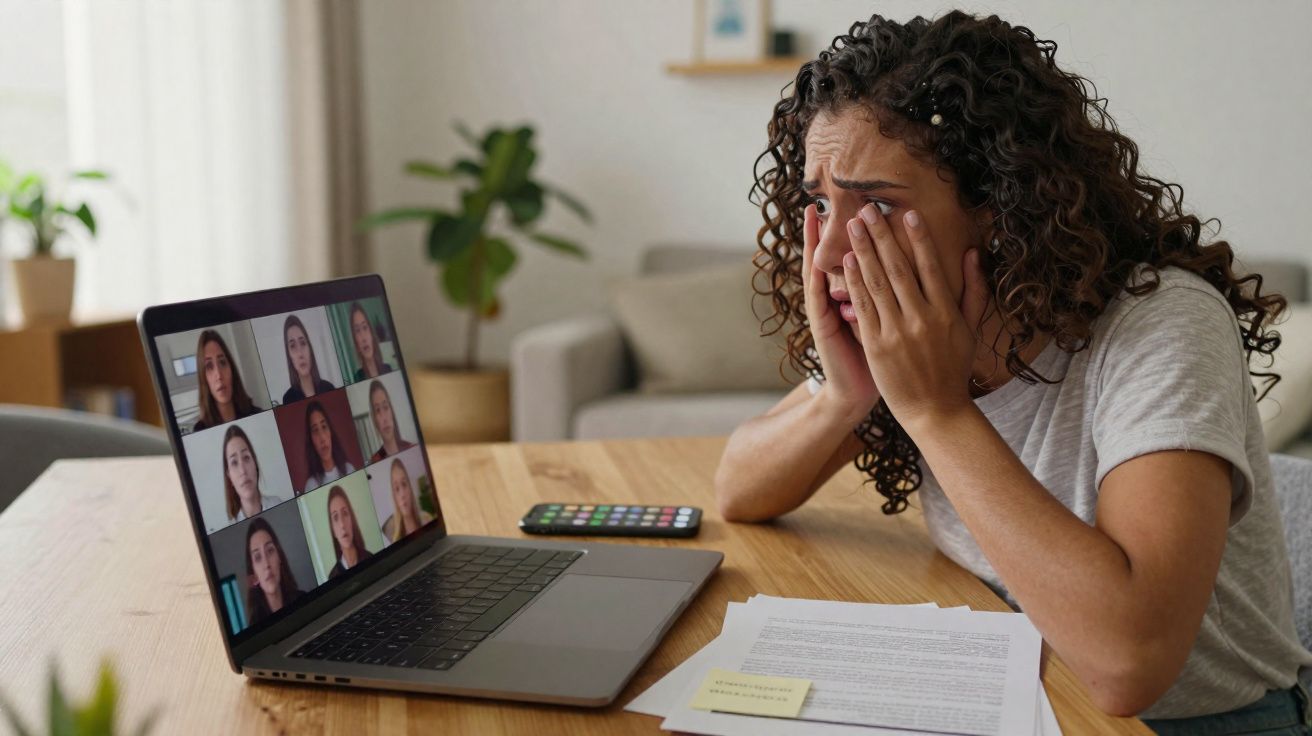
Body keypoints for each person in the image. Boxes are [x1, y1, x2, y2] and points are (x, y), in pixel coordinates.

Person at [716, 11, 1312, 732]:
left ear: (997, 204)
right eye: (819, 203)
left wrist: (937, 412)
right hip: (1021, 695)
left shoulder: (1161, 324)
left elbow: (1132, 666)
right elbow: (738, 490)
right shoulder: (910, 327)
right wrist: (847, 395)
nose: (830, 250)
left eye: (875, 203)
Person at [193, 329, 262, 432]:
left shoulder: (257, 415)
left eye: (222, 362)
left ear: (231, 369)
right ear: (203, 378)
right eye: (209, 366)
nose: (219, 375)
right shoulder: (199, 431)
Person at [244, 517, 304, 627]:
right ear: (254, 575)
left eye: (270, 550)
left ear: (279, 557)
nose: (266, 564)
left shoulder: (304, 600)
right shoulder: (255, 628)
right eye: (258, 557)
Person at [222, 425, 286, 523]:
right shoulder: (232, 525)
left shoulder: (278, 505)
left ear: (255, 464)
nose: (243, 471)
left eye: (246, 457)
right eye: (234, 462)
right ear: (229, 476)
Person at [302, 400, 356, 493]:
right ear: (311, 440)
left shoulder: (349, 469)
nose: (322, 438)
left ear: (330, 431)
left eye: (324, 427)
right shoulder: (311, 485)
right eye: (315, 430)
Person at [281, 315, 336, 404]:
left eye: (303, 343)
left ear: (309, 348)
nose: (300, 353)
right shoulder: (288, 399)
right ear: (289, 356)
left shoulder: (329, 388)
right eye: (293, 346)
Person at [325, 485, 372, 578]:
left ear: (352, 520)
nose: (342, 524)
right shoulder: (333, 577)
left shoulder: (370, 558)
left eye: (345, 513)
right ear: (333, 530)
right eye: (335, 517)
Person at [381, 458, 432, 542]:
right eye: (397, 489)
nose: (402, 494)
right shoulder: (396, 539)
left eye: (404, 484)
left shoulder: (427, 519)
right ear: (394, 497)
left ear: (410, 488)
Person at [366, 380, 415, 462]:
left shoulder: (412, 448)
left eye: (385, 407)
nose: (384, 418)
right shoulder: (374, 461)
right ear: (374, 420)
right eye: (377, 410)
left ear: (391, 411)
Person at [349, 302, 393, 381]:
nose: (363, 338)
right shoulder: (357, 378)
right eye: (357, 330)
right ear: (356, 342)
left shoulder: (388, 369)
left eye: (365, 327)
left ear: (371, 334)